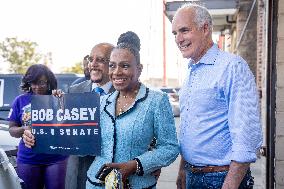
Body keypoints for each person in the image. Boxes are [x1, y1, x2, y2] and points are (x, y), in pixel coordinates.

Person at [171, 4, 263, 189]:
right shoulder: (192, 71)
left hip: (221, 179)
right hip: (192, 175)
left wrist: (230, 184)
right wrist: (183, 168)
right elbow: (191, 127)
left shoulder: (232, 67)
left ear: (205, 28)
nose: (178, 39)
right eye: (175, 33)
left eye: (184, 31)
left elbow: (248, 136)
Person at [86, 31, 179, 189]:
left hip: (136, 184)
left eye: (125, 66)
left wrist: (134, 165)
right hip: (96, 184)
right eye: (112, 66)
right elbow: (76, 135)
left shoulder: (156, 101)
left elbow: (170, 147)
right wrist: (57, 103)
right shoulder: (101, 102)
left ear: (139, 69)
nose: (117, 72)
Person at [8, 64, 68, 189]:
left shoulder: (57, 98)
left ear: (48, 81)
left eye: (41, 83)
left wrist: (62, 101)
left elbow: (69, 123)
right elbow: (12, 130)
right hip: (28, 158)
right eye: (33, 83)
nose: (37, 87)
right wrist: (24, 129)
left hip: (55, 157)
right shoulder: (20, 101)